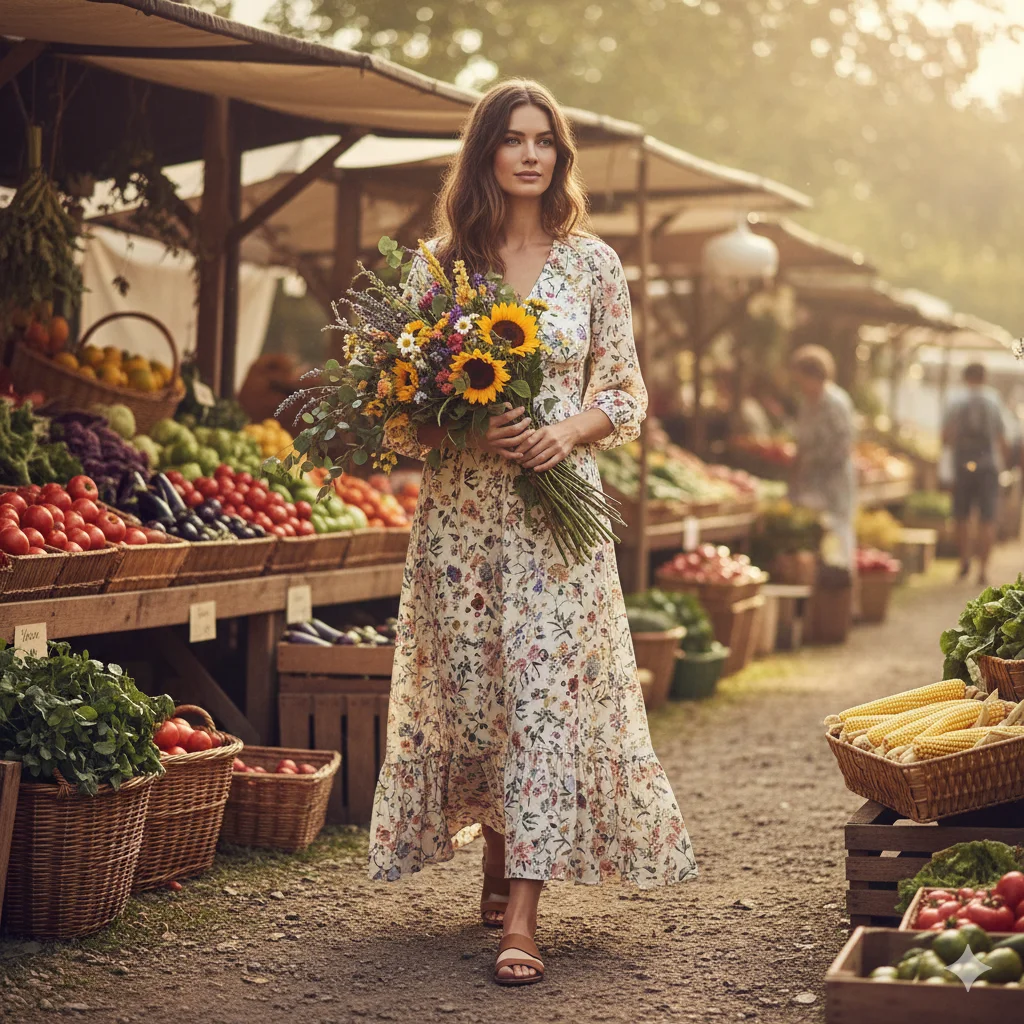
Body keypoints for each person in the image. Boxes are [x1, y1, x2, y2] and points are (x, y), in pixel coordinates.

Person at [367, 79, 697, 987]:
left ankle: (524, 913)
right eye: (511, 139)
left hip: (558, 519)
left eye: (543, 140)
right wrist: (464, 424)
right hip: (463, 522)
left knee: (544, 699)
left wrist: (566, 430)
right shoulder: (439, 269)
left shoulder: (592, 264)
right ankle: (498, 846)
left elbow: (624, 391)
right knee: (480, 694)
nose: (529, 154)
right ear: (484, 153)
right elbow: (397, 415)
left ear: (559, 155)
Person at [788, 345, 857, 566]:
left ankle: (842, 588)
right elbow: (802, 443)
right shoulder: (806, 405)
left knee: (837, 539)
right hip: (811, 484)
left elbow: (842, 446)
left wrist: (814, 462)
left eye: (802, 380)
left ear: (815, 376)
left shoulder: (836, 404)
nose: (800, 386)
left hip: (833, 483)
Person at [942, 362, 1009, 585]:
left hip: (962, 464)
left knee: (961, 515)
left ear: (966, 377)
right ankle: (983, 570)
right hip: (988, 466)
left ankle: (963, 562)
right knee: (987, 518)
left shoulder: (956, 400)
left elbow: (945, 436)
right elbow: (1002, 437)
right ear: (984, 376)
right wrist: (1005, 465)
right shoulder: (993, 400)